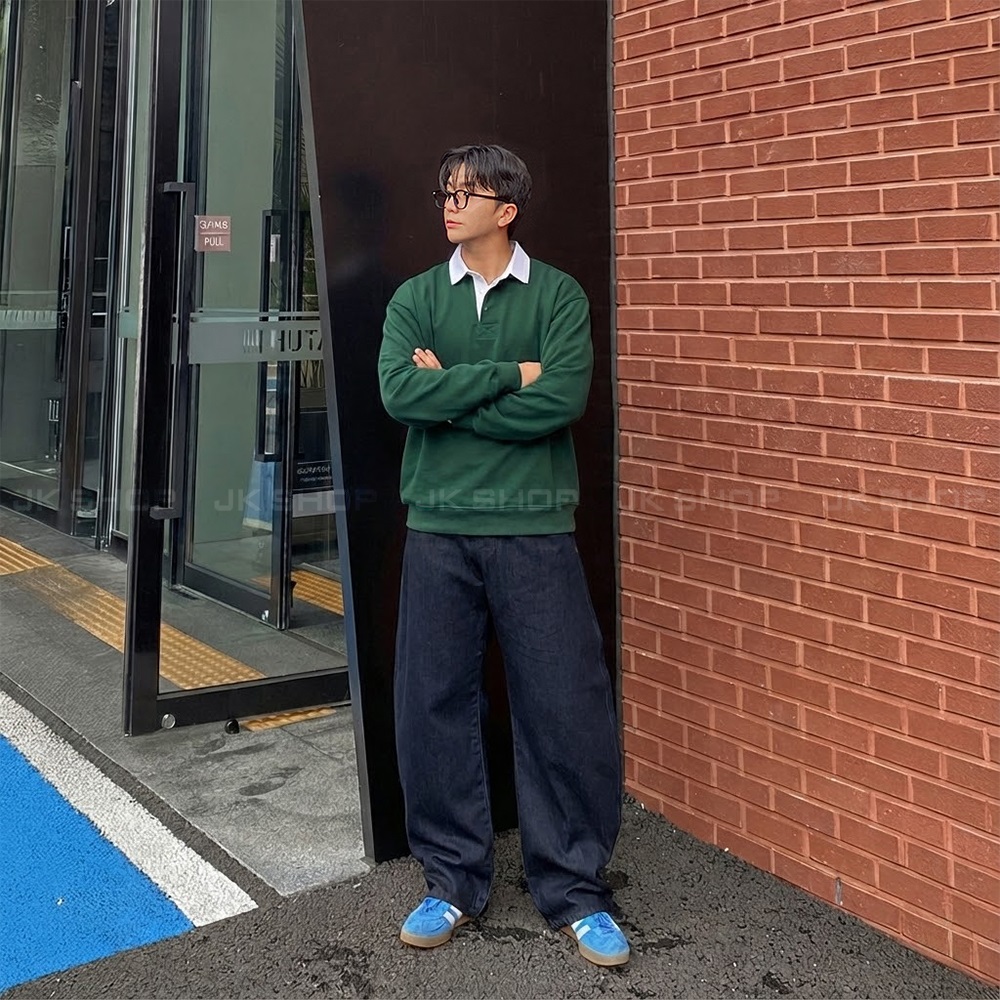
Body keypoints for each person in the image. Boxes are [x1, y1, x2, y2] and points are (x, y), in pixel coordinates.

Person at [377, 144, 628, 967]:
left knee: (563, 705)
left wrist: (452, 393)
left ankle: (577, 890)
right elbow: (400, 393)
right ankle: (451, 880)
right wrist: (506, 376)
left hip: (534, 527)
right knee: (432, 705)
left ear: (507, 209)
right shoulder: (416, 298)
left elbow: (560, 400)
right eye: (445, 192)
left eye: (467, 193)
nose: (450, 205)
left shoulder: (558, 296)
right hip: (438, 527)